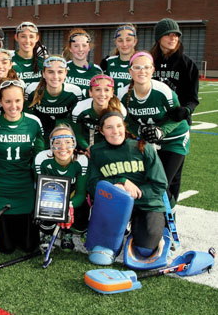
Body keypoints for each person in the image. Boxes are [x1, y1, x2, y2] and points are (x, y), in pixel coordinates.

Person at [88, 111, 167, 258]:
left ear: (124, 127)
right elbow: (92, 185)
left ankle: (154, 231)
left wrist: (133, 194)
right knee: (101, 252)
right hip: (116, 206)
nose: (115, 131)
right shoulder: (97, 152)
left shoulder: (143, 146)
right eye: (109, 127)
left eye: (119, 126)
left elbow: (159, 185)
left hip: (146, 203)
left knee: (145, 250)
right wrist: (120, 182)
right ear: (101, 131)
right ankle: (126, 226)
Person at [118, 51, 189, 211]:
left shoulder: (163, 90)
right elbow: (127, 121)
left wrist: (161, 131)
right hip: (147, 139)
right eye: (137, 67)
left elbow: (177, 116)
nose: (142, 71)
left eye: (146, 67)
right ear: (130, 71)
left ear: (152, 70)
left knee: (163, 182)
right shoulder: (123, 94)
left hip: (174, 138)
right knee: (146, 178)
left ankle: (169, 217)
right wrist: (142, 131)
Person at [0, 78, 45, 254]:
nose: (13, 106)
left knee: (28, 246)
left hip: (24, 189)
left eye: (17, 100)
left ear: (23, 100)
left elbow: (39, 157)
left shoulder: (34, 123)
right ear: (0, 102)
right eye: (8, 101)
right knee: (6, 248)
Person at [150, 18, 199, 209]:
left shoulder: (187, 64)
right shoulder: (149, 61)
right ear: (158, 37)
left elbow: (193, 98)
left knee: (171, 179)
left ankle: (169, 216)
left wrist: (185, 111)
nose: (173, 38)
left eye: (176, 35)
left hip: (177, 128)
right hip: (152, 125)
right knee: (152, 175)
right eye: (168, 34)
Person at [34, 124, 88, 251]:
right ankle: (47, 233)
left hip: (73, 198)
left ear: (74, 144)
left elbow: (81, 193)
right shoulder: (42, 159)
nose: (63, 147)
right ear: (51, 145)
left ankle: (67, 232)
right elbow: (40, 191)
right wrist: (58, 208)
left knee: (83, 211)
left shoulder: (81, 160)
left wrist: (69, 206)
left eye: (68, 142)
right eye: (57, 142)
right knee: (43, 208)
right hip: (52, 197)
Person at [26, 55, 82, 147]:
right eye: (50, 72)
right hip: (39, 135)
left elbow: (77, 123)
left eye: (60, 72)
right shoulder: (32, 90)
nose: (55, 76)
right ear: (43, 74)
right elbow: (27, 119)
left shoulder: (74, 92)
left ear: (65, 73)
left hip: (63, 136)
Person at [71, 74, 126, 155]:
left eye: (106, 90)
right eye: (97, 89)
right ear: (90, 92)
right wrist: (87, 147)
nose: (102, 94)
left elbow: (118, 134)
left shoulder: (120, 110)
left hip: (109, 147)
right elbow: (77, 132)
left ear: (112, 93)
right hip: (84, 148)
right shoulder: (79, 108)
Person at [64, 28, 103, 100]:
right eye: (76, 46)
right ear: (70, 48)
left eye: (84, 45)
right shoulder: (63, 68)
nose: (80, 49)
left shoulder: (96, 70)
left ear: (89, 48)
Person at [101, 24, 138, 95]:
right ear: (115, 42)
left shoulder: (141, 62)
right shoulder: (107, 62)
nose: (124, 44)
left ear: (135, 41)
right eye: (120, 40)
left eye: (128, 40)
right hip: (113, 105)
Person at [12, 21, 45, 89]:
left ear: (37, 38)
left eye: (31, 36)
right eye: (23, 36)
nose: (27, 41)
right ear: (16, 37)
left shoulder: (43, 62)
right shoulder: (8, 61)